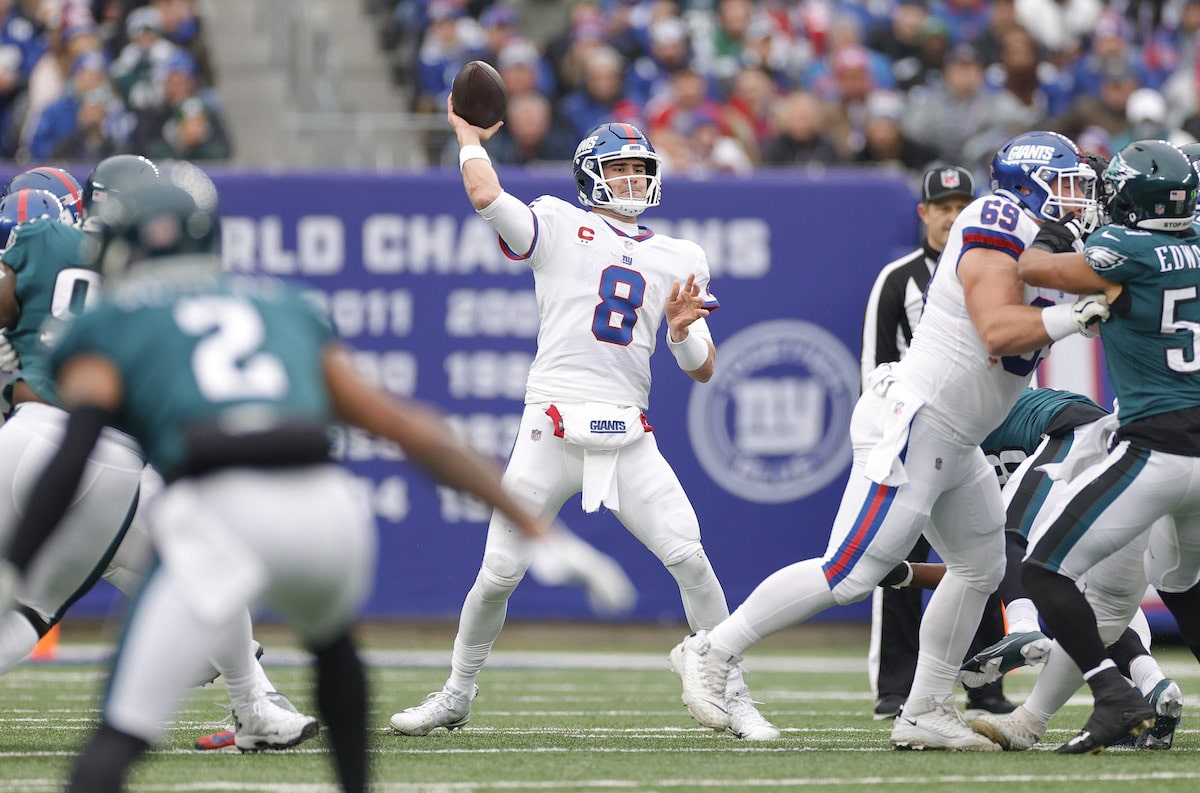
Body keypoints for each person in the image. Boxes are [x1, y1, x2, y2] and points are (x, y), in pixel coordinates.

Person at [0, 172, 629, 793]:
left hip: (219, 509)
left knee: (119, 731)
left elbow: (73, 450)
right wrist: (540, 532)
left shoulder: (113, 320)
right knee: (334, 649)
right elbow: (417, 432)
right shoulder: (283, 305)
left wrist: (17, 558)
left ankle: (239, 715)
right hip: (327, 511)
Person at [671, 129, 1109, 750]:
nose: (1078, 200)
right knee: (850, 571)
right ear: (1030, 186)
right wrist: (1073, 315)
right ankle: (713, 650)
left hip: (957, 434)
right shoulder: (994, 217)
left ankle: (925, 707)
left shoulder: (1040, 239)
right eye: (1067, 186)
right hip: (920, 420)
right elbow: (994, 329)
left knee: (980, 566)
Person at [388, 100, 778, 742]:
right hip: (551, 425)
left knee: (691, 557)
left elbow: (703, 367)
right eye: (619, 168)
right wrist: (466, 137)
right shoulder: (557, 223)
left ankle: (728, 687)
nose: (631, 179)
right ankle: (457, 690)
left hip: (627, 432)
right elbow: (486, 194)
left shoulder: (681, 255)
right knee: (498, 575)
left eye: (639, 168)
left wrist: (681, 333)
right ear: (592, 174)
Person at [0, 169, 320, 754]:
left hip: (33, 441)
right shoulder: (125, 273)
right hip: (112, 473)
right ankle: (254, 704)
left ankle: (253, 700)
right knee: (206, 568)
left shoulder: (36, 252)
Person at [1005, 138, 1200, 753]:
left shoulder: (1125, 249)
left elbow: (1033, 270)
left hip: (1156, 452)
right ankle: (1079, 703)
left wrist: (1059, 230)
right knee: (1182, 584)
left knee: (1041, 567)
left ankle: (1113, 694)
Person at [882, 386, 1184, 751]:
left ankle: (1022, 629)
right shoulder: (960, 437)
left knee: (1005, 538)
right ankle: (1155, 686)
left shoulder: (956, 435)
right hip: (1127, 457)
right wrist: (905, 574)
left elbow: (993, 554)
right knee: (1095, 603)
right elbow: (982, 570)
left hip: (1081, 437)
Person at [861, 163, 1013, 720]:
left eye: (961, 206)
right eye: (942, 207)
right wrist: (885, 433)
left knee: (982, 559)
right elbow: (874, 364)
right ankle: (896, 685)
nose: (952, 216)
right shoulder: (899, 278)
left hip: (976, 432)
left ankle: (985, 680)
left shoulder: (1001, 268)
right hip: (913, 429)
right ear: (924, 214)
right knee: (896, 555)